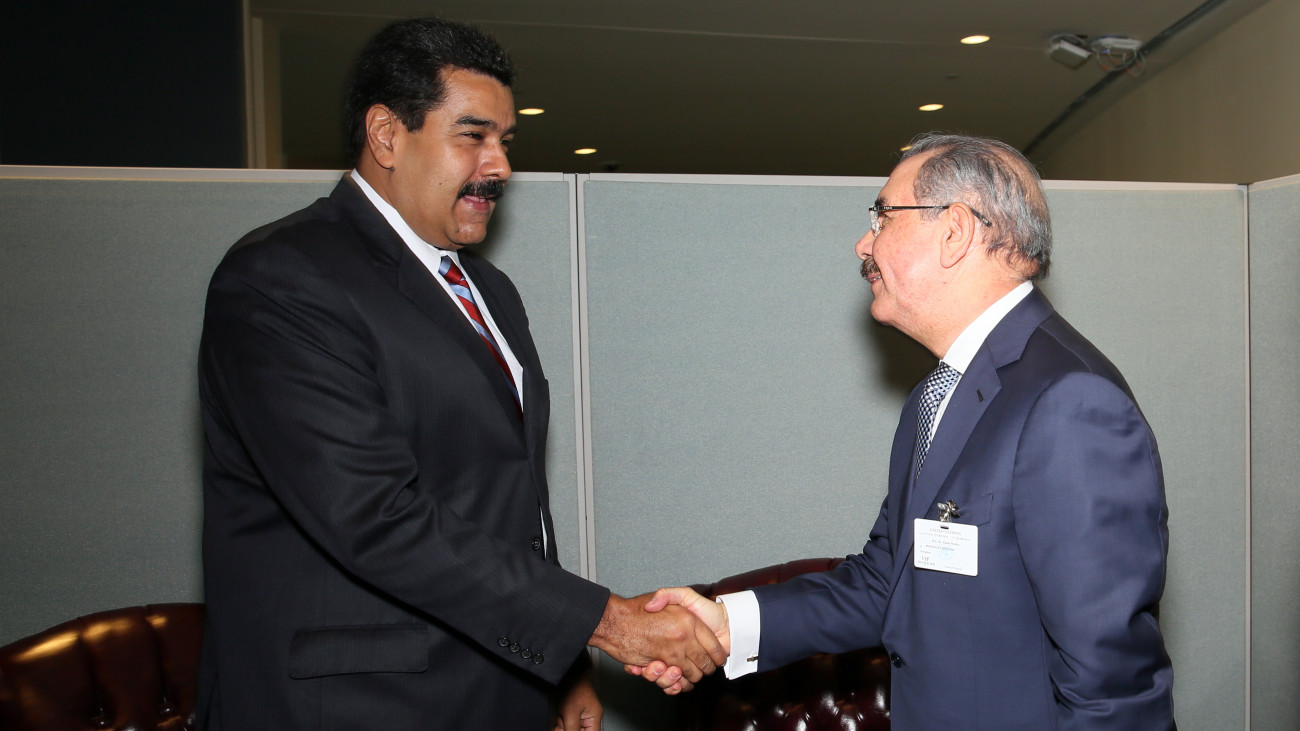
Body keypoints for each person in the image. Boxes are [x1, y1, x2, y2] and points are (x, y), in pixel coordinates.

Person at [196, 17, 722, 731]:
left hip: (496, 688)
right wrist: (606, 623)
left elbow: (509, 506)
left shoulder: (488, 290)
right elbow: (374, 515)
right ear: (387, 135)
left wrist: (562, 665)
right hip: (355, 706)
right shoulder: (283, 277)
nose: (499, 165)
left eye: (505, 141)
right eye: (473, 136)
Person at [635, 133, 1175, 729]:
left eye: (883, 216)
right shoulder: (937, 393)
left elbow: (1112, 689)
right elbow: (888, 580)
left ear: (955, 231)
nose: (863, 243)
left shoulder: (1069, 402)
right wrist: (726, 624)